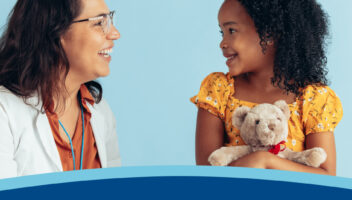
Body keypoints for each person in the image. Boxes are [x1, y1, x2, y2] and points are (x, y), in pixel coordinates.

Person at [191, 0, 343, 175]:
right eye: (222, 32)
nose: (223, 43)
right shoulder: (218, 90)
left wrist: (266, 161)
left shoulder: (314, 98)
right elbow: (207, 172)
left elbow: (327, 177)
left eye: (232, 31)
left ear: (269, 34)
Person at [0, 0, 121, 179]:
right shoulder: (5, 113)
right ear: (57, 31)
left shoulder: (100, 112)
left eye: (109, 20)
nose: (115, 34)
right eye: (99, 23)